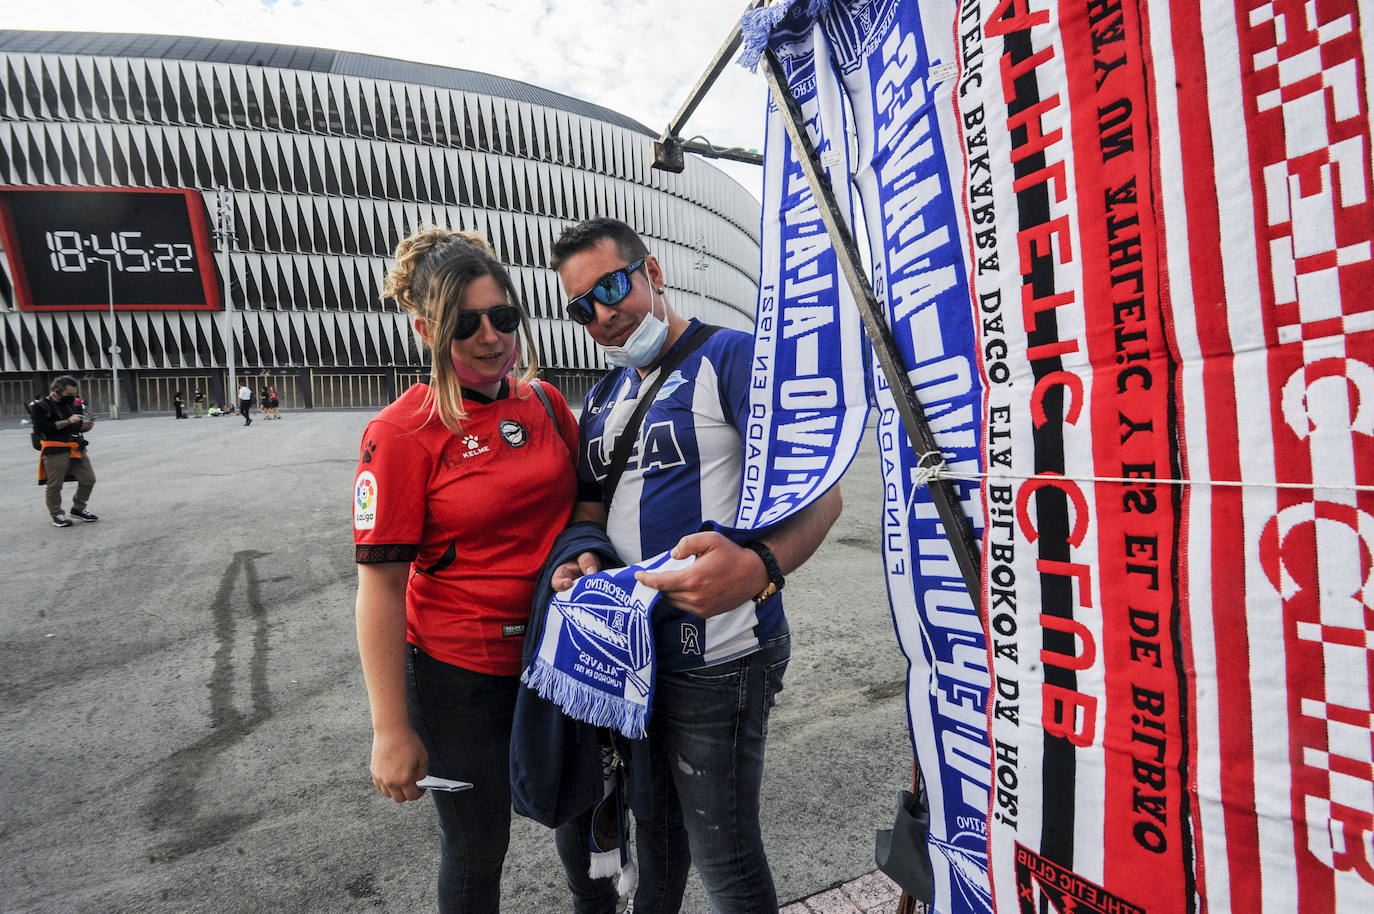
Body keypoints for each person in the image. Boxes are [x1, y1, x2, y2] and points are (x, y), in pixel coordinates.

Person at [550, 218, 842, 913]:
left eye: (610, 287)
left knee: (726, 857)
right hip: (633, 660)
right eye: (580, 306)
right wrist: (582, 556)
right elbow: (590, 507)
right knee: (656, 835)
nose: (601, 314)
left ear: (653, 271)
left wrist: (762, 565)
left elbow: (823, 495)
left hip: (723, 658)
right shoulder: (600, 398)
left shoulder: (737, 360)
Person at [353, 227, 610, 914]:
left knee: (590, 823)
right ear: (424, 329)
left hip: (562, 658)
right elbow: (380, 589)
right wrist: (391, 730)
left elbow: (587, 512)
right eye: (465, 322)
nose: (490, 335)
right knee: (475, 850)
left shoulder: (545, 403)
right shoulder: (401, 433)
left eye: (503, 316)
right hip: (460, 678)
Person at [31, 374, 99, 528]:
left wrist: (84, 427)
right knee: (55, 484)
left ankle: (78, 508)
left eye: (73, 393)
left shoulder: (70, 405)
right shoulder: (40, 406)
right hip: (54, 449)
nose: (72, 397)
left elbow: (75, 425)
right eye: (69, 394)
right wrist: (69, 421)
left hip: (75, 448)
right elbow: (43, 428)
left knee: (89, 479)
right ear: (56, 391)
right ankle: (57, 514)